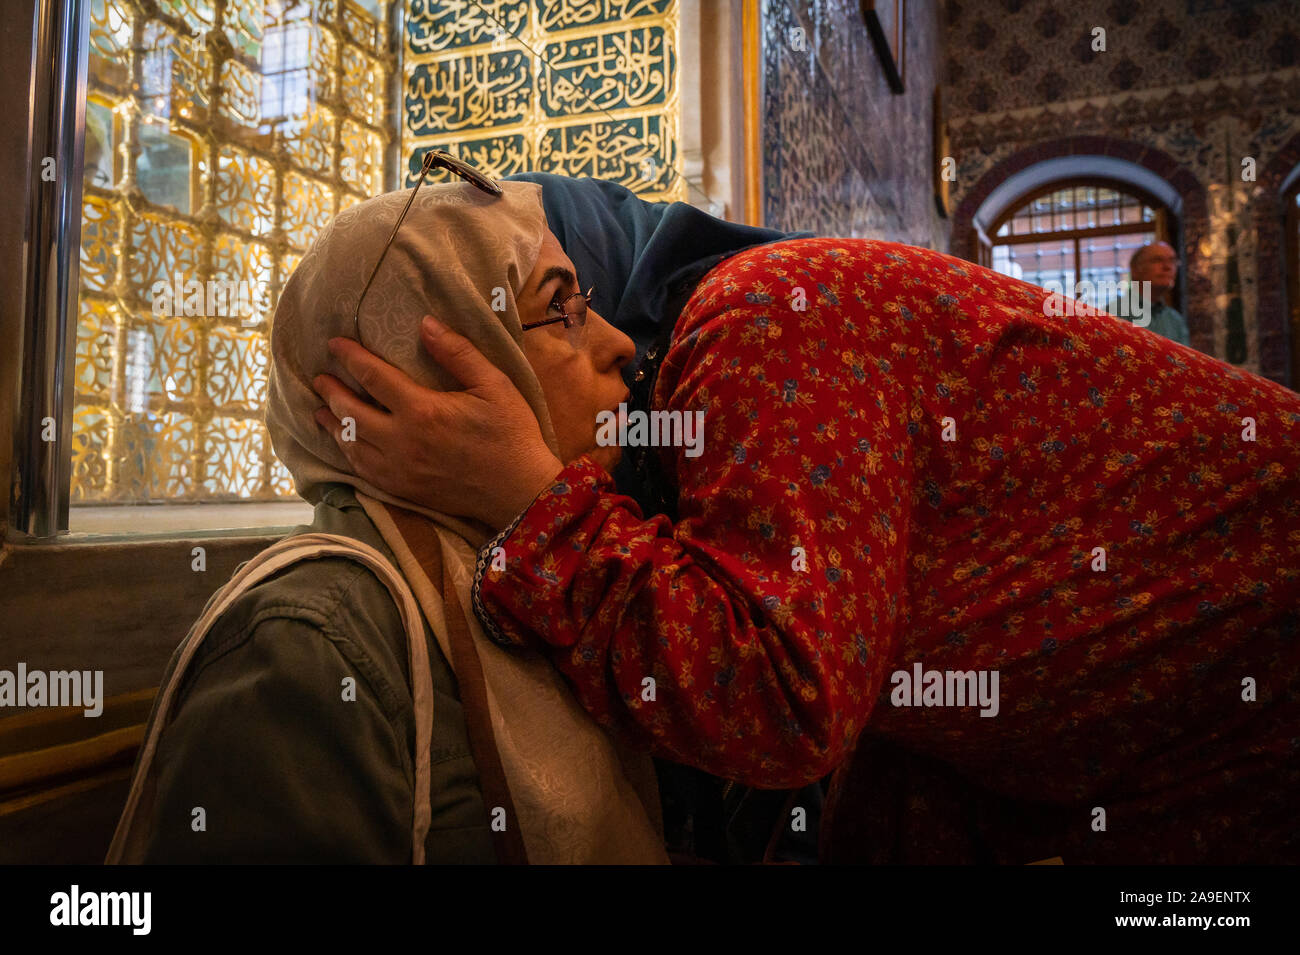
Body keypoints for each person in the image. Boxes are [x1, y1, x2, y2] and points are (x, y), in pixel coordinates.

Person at [315, 184, 1300, 864]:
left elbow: (789, 701)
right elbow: (925, 696)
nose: (618, 343)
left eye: (584, 299)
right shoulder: (328, 614)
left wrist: (533, 502)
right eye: (557, 312)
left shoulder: (756, 320)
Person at [106, 176, 670, 864]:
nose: (621, 346)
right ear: (421, 369)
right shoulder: (308, 649)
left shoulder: (541, 577)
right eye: (562, 309)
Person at [1109, 241, 1191, 347]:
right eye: (1157, 260)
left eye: (1172, 261)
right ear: (1135, 269)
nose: (1167, 267)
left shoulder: (1175, 320)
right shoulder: (1112, 314)